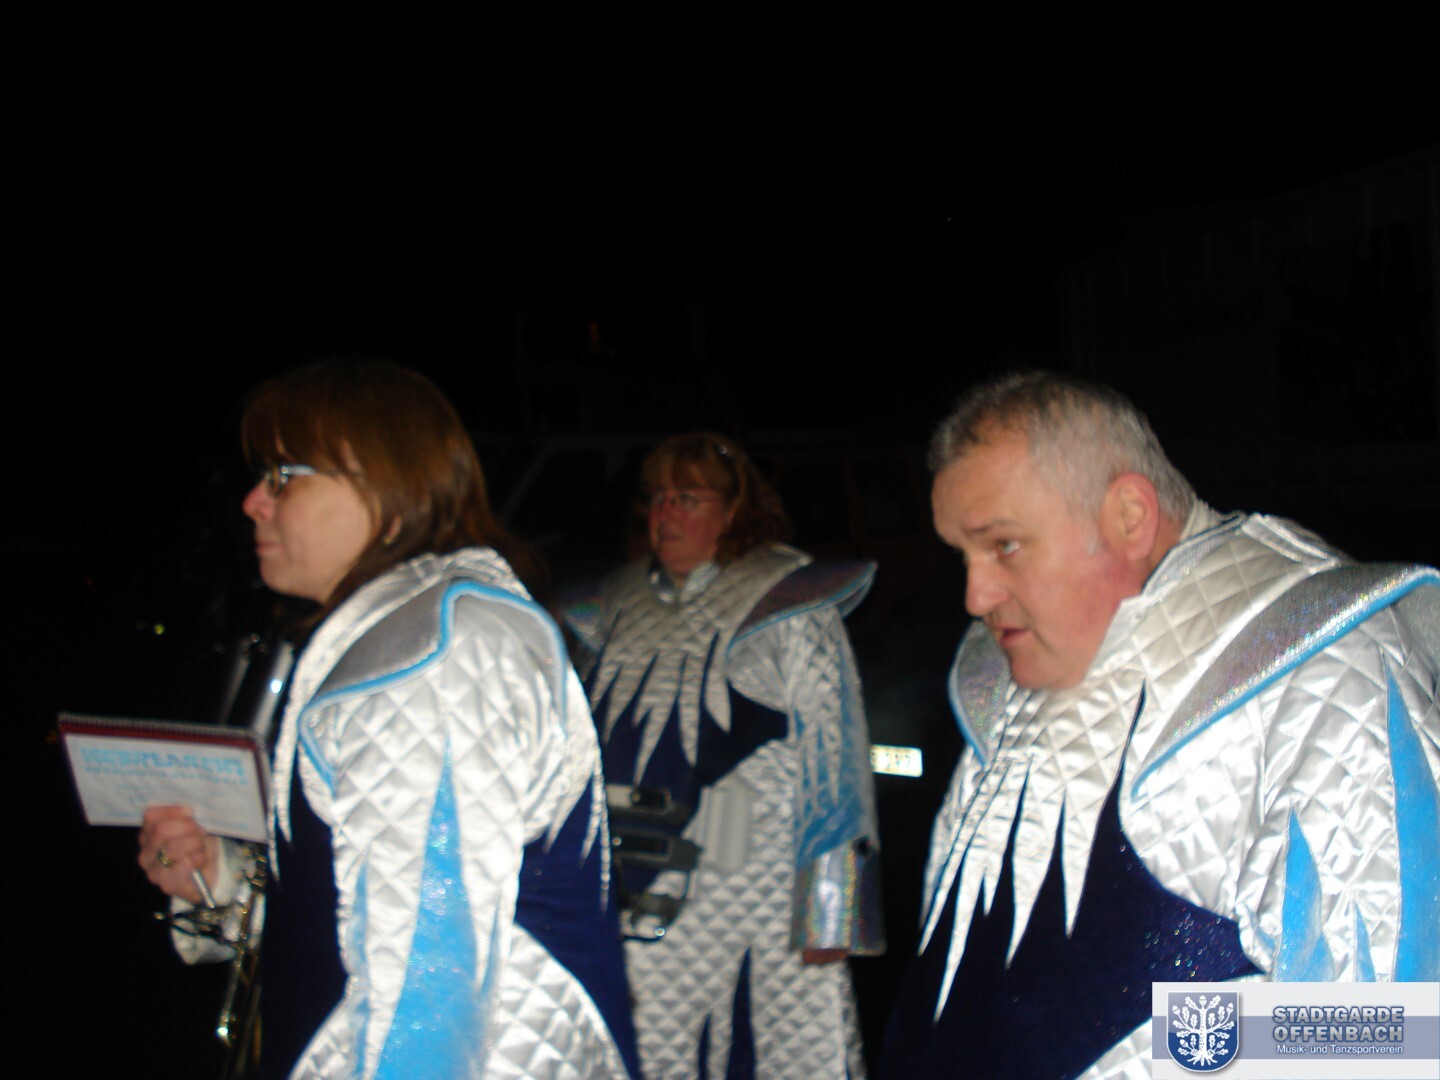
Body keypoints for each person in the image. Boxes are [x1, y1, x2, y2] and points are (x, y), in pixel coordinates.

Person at [883, 371, 1440, 1079]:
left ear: (1129, 516)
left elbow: (1392, 1030)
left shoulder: (1324, 665)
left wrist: (1146, 1051)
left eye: (1005, 546)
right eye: (962, 554)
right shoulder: (1022, 669)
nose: (975, 594)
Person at [138, 359, 639, 1079]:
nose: (253, 501)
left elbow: (426, 992)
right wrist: (219, 877)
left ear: (384, 487)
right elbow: (364, 917)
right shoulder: (399, 640)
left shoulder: (434, 657)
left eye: (282, 476)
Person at [566, 433, 884, 1079]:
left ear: (735, 510)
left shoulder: (786, 600)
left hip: (751, 882)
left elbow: (834, 755)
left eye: (687, 498)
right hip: (631, 880)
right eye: (656, 497)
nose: (664, 513)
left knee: (761, 1049)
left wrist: (831, 911)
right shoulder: (612, 603)